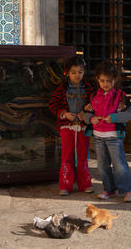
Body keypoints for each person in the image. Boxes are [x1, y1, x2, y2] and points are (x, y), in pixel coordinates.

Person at [82, 61, 131, 202]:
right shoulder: (94, 96)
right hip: (98, 137)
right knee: (102, 165)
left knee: (119, 164)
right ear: (97, 80)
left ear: (115, 80)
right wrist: (90, 118)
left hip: (114, 137)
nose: (105, 83)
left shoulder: (120, 96)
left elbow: (130, 113)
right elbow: (84, 114)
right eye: (102, 81)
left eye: (109, 81)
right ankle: (109, 189)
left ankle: (129, 190)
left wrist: (114, 118)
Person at [48, 56, 94, 196]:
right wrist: (64, 114)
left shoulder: (88, 88)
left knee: (82, 157)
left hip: (83, 127)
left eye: (80, 72)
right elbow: (52, 105)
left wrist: (88, 109)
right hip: (66, 128)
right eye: (73, 72)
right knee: (67, 157)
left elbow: (95, 103)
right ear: (67, 73)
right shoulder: (61, 89)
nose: (77, 75)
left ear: (84, 72)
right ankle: (65, 185)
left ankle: (85, 184)